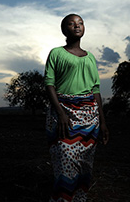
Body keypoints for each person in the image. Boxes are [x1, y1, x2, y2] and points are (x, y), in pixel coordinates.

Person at [45, 13, 109, 202]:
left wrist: (102, 122)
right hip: (64, 114)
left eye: (80, 23)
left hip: (90, 118)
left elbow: (95, 90)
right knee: (65, 161)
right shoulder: (56, 53)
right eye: (71, 24)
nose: (77, 26)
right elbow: (49, 84)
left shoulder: (90, 58)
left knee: (85, 166)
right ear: (64, 30)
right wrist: (61, 113)